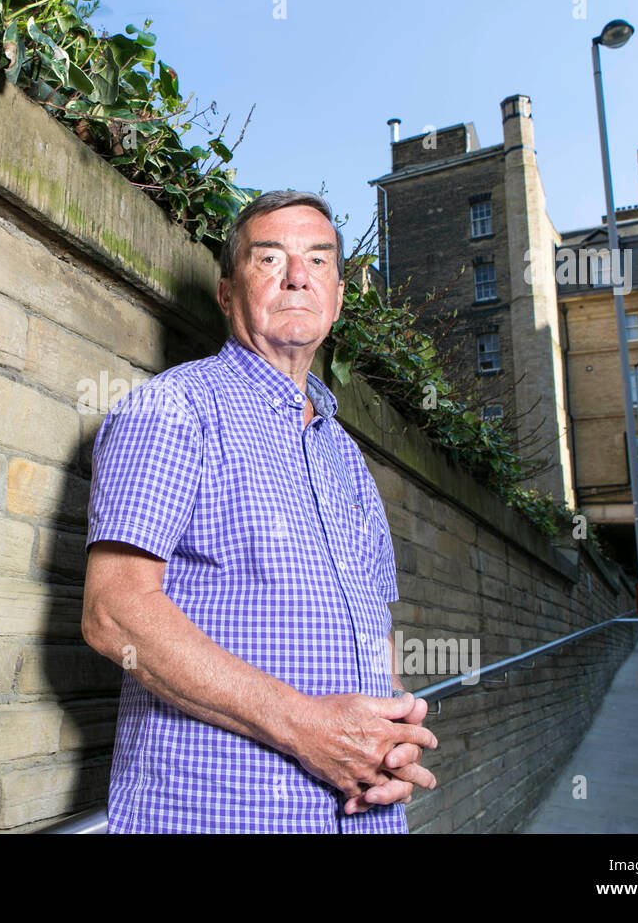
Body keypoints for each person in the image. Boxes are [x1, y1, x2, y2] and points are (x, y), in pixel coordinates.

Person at [82, 190, 437, 833]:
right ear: (226, 293)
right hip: (221, 814)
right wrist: (308, 729)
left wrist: (387, 743)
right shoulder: (173, 409)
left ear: (337, 297)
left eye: (318, 260)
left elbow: (373, 629)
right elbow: (114, 614)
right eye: (270, 258)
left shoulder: (346, 454)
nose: (298, 275)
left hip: (362, 816)